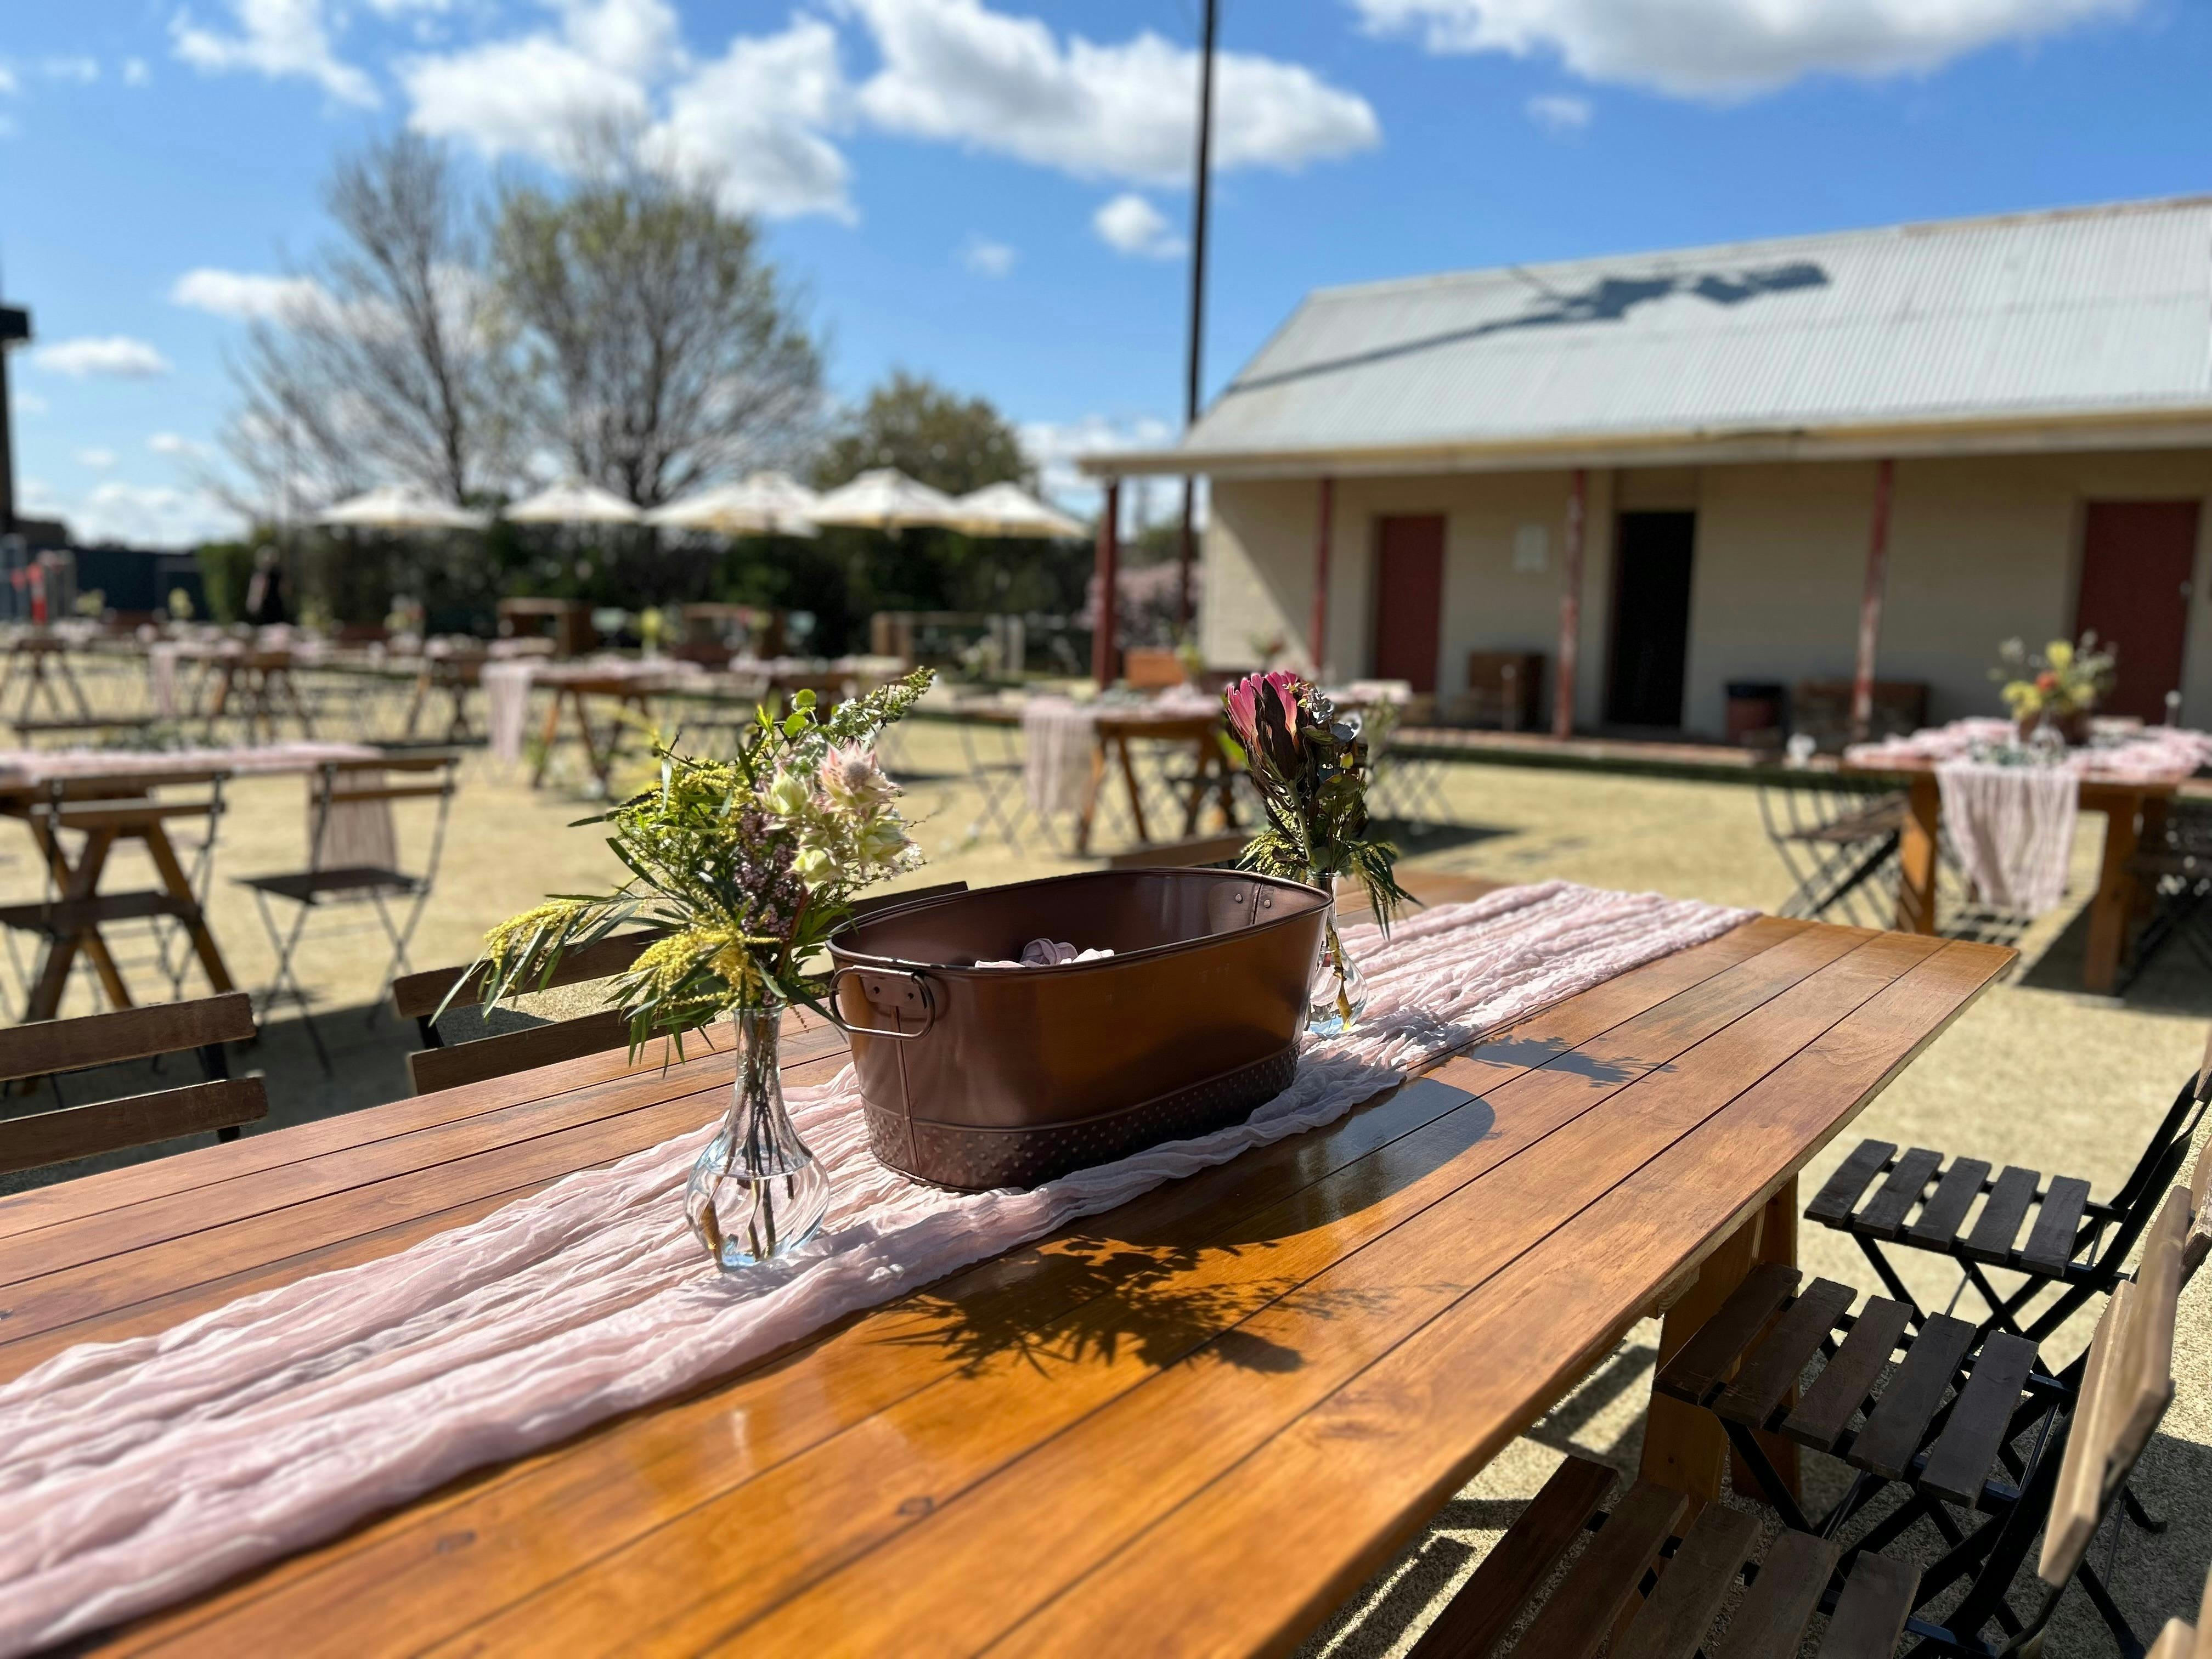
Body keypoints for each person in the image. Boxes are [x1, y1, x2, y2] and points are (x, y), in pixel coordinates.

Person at [243, 546, 291, 627]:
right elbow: (285, 589)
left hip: (269, 605)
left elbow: (259, 589)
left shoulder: (262, 573)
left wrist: (255, 602)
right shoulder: (277, 573)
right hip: (275, 604)